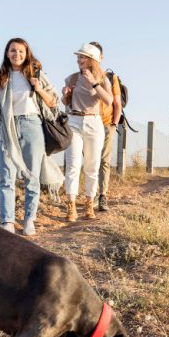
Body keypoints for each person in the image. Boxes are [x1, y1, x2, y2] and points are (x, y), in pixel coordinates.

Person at [0, 38, 61, 236]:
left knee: (32, 176)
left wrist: (38, 88)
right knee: (6, 176)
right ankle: (7, 221)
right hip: (7, 128)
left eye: (20, 51)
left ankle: (29, 219)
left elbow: (53, 102)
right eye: (12, 51)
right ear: (7, 53)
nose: (16, 54)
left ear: (26, 54)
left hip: (31, 124)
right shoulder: (2, 75)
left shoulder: (35, 73)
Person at [61, 43, 113, 222]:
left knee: (92, 166)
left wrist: (94, 83)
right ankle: (71, 205)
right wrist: (65, 94)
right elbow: (65, 103)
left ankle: (89, 204)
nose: (78, 60)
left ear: (91, 60)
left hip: (94, 121)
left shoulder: (103, 79)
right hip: (74, 120)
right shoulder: (72, 78)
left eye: (82, 57)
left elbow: (108, 101)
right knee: (73, 165)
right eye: (78, 57)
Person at [88, 41, 122, 212]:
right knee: (90, 160)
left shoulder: (110, 78)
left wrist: (114, 124)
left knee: (104, 161)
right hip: (88, 124)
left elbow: (117, 103)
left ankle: (102, 196)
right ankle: (91, 194)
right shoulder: (82, 75)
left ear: (100, 57)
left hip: (107, 123)